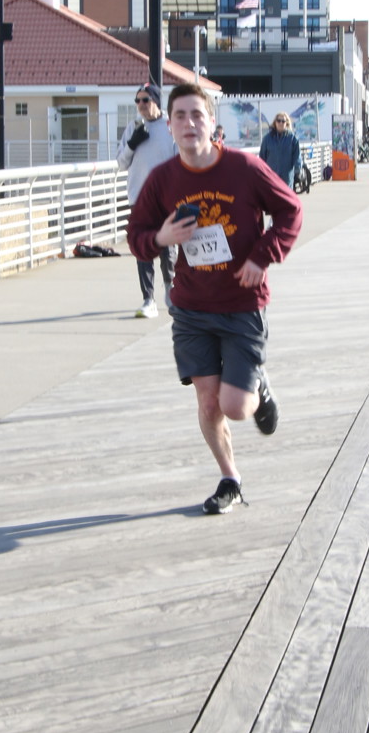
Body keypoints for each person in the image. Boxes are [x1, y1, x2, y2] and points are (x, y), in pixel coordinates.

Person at [127, 83, 302, 514]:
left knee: (235, 407)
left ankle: (257, 384)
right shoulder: (162, 180)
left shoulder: (244, 168)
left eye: (197, 115)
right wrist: (161, 237)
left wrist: (263, 255)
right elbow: (136, 236)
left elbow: (290, 211)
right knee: (208, 401)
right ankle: (230, 478)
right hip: (191, 307)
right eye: (180, 116)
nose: (189, 123)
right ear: (169, 127)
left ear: (211, 122)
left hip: (242, 302)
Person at [116, 83, 177, 318]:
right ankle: (148, 299)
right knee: (142, 248)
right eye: (137, 101)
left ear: (156, 102)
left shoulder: (170, 126)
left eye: (145, 100)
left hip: (164, 199)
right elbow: (121, 163)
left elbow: (178, 161)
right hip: (138, 197)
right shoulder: (133, 127)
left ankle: (170, 290)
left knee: (167, 248)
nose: (141, 105)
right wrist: (132, 144)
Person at [259, 111, 302, 188]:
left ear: (287, 123)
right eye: (278, 121)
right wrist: (261, 172)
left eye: (283, 121)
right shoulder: (267, 139)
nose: (281, 123)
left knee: (285, 195)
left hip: (287, 177)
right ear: (275, 122)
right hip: (271, 176)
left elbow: (297, 156)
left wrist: (298, 172)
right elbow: (262, 157)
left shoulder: (292, 138)